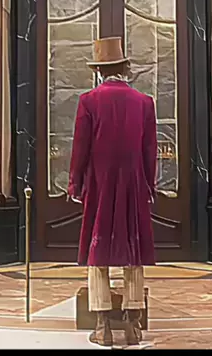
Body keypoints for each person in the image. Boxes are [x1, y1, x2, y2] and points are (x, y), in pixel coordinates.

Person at [67, 36, 157, 347]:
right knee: (133, 248)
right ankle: (132, 323)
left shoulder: (88, 101)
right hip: (133, 182)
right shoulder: (144, 102)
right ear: (124, 68)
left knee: (98, 250)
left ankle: (102, 324)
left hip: (100, 183)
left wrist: (75, 184)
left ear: (99, 71)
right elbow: (150, 151)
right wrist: (150, 185)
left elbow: (80, 149)